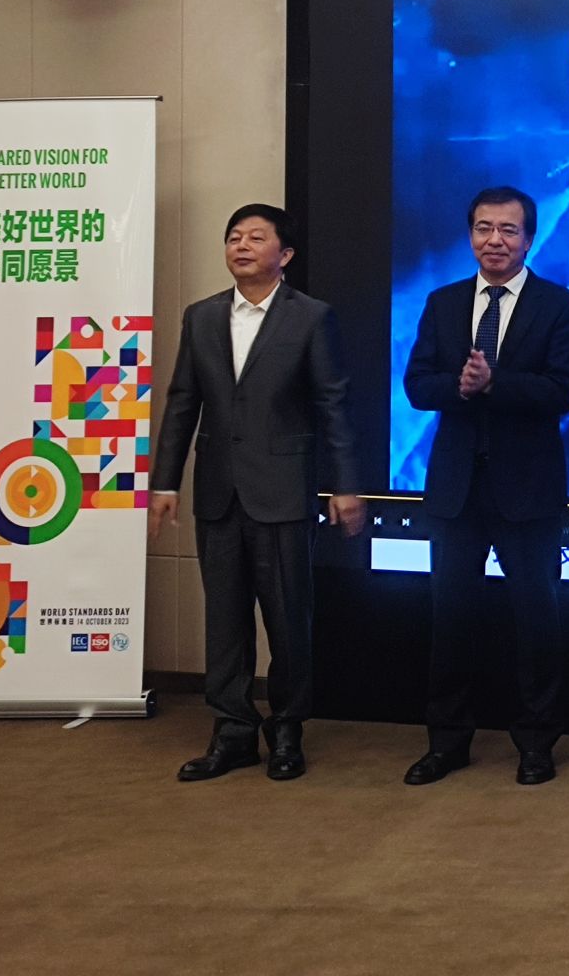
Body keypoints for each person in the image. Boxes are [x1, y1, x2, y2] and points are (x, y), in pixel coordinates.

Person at [150, 203, 366, 783]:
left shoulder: (311, 317)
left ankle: (288, 729)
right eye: (233, 237)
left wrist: (345, 484)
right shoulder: (201, 316)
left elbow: (334, 405)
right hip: (218, 491)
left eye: (255, 238)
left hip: (284, 492)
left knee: (288, 619)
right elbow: (182, 402)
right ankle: (232, 732)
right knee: (224, 621)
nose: (241, 246)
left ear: (284, 255)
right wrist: (165, 481)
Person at [401, 186, 569, 787]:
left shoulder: (560, 305)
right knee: (450, 619)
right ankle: (447, 742)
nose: (495, 240)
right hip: (456, 488)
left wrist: (494, 383)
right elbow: (418, 385)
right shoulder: (444, 302)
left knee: (536, 619)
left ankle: (536, 743)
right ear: (470, 235)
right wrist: (459, 386)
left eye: (508, 230)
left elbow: (563, 390)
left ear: (529, 238)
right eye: (484, 228)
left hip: (527, 488)